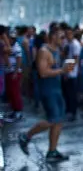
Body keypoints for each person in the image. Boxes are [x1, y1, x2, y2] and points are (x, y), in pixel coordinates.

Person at [19, 25, 74, 161]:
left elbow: (56, 69)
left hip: (57, 89)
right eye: (61, 37)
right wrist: (62, 70)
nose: (64, 39)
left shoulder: (57, 50)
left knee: (59, 120)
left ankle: (52, 151)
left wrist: (64, 71)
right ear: (53, 36)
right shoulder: (44, 51)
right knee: (52, 120)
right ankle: (26, 136)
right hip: (48, 90)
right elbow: (43, 72)